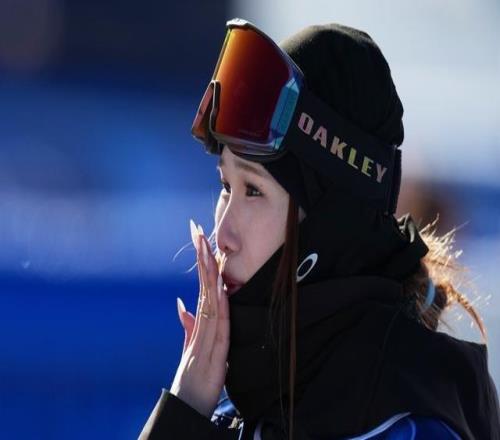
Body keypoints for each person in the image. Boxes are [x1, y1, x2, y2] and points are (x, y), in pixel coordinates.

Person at [138, 18, 500, 440]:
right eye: (225, 186)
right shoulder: (236, 404)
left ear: (330, 223)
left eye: (253, 190)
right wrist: (183, 412)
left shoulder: (406, 425)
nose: (223, 235)